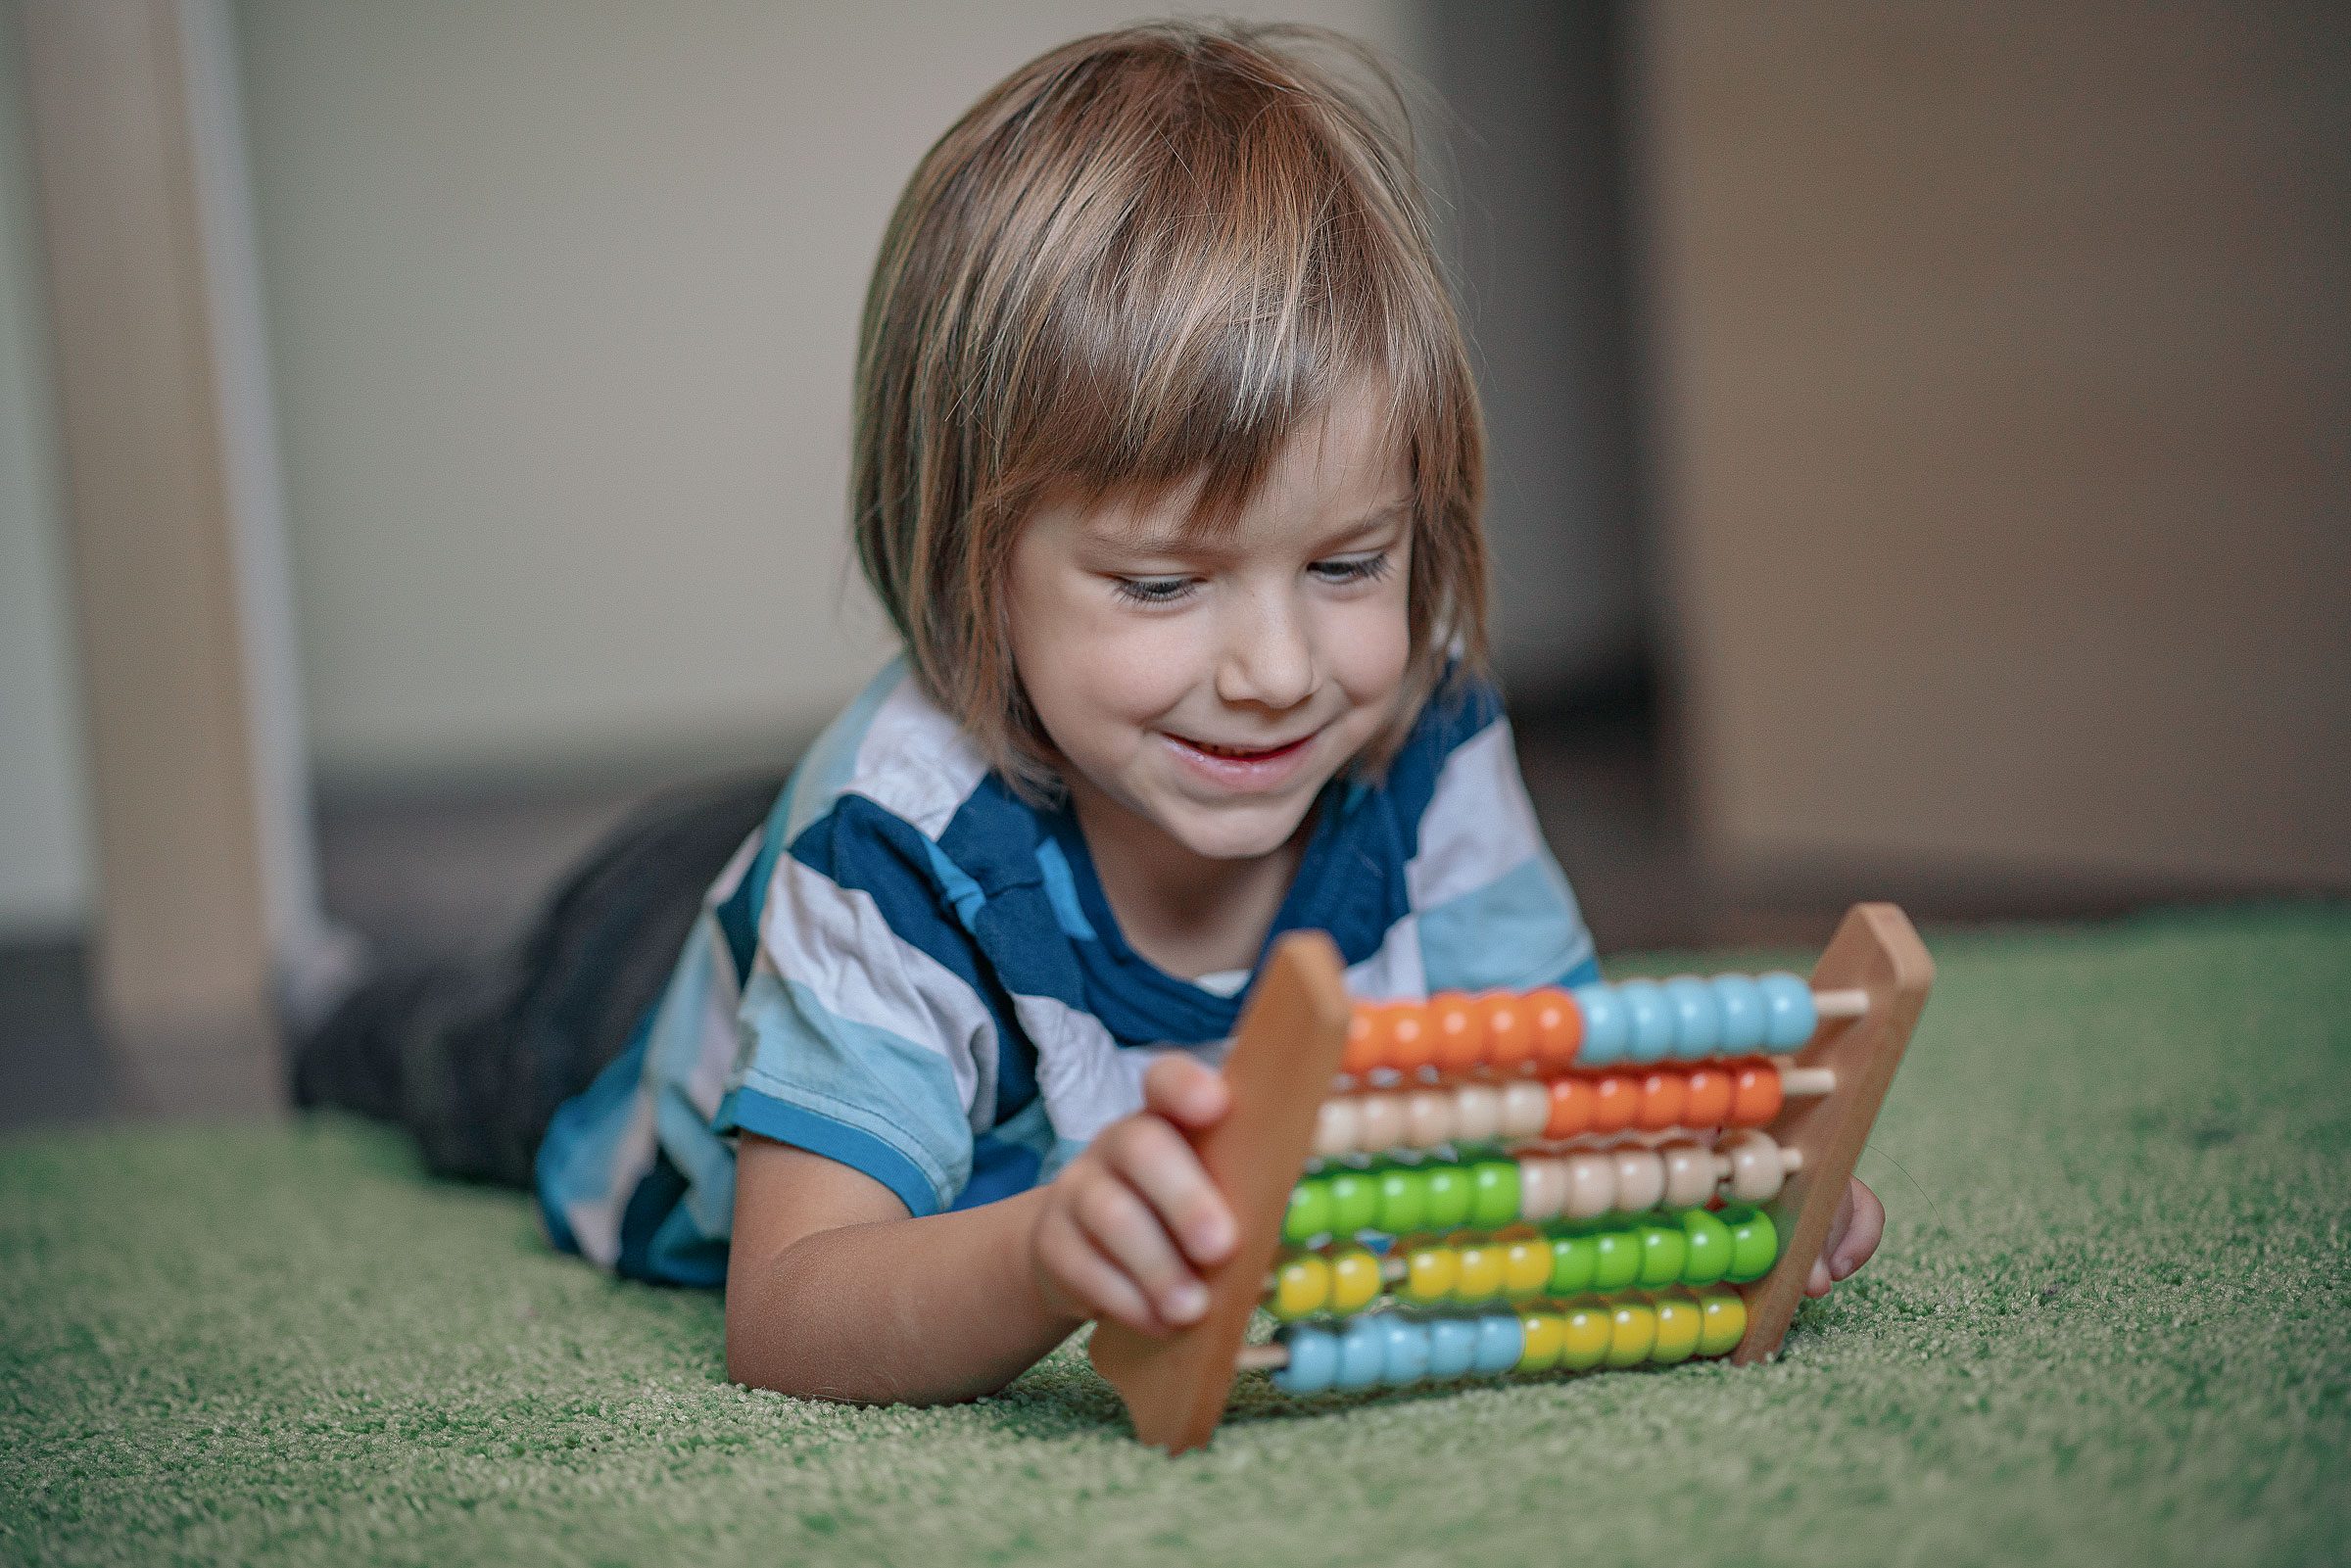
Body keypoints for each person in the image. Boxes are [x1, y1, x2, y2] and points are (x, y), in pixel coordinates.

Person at [299, 19, 1883, 1409]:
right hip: (631, 978)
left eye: (1346, 562)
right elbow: (788, 1309)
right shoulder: (896, 847)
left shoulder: (1424, 724)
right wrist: (1044, 1248)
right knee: (451, 1052)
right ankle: (334, 996)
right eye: (1161, 584)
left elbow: (1556, 1115)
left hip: (903, 873)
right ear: (973, 567)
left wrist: (1741, 1194)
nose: (1277, 667)